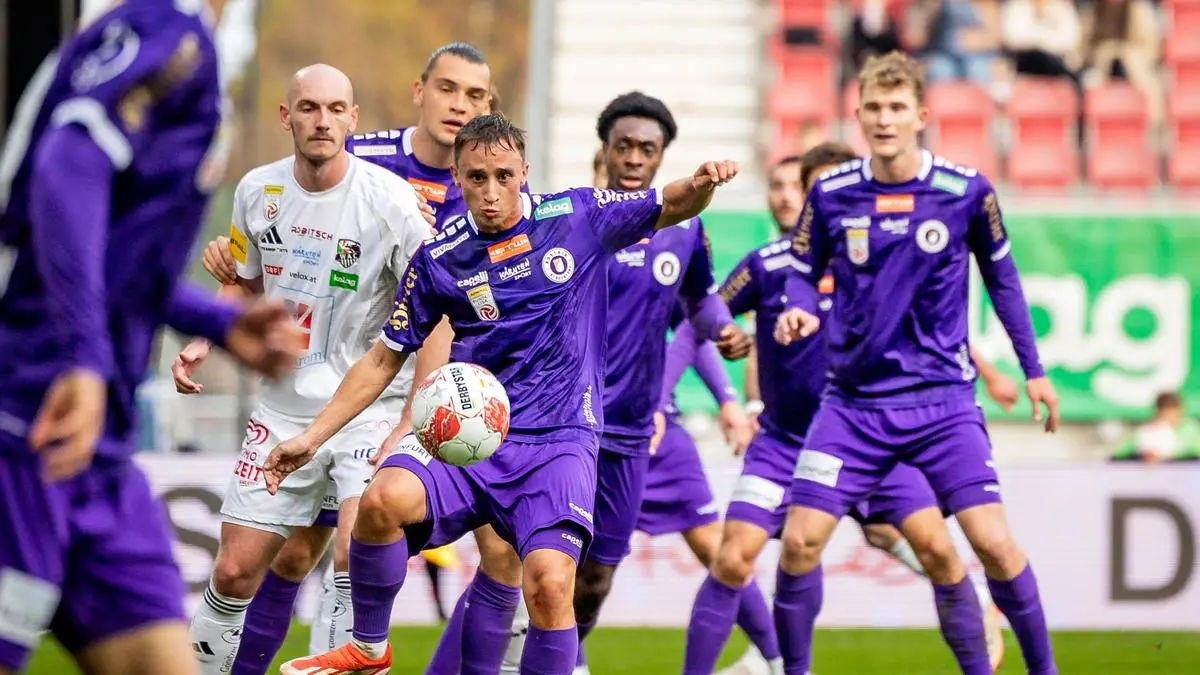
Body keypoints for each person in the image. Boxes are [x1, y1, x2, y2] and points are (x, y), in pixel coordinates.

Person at [263, 113, 738, 675]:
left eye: (503, 176)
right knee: (381, 501)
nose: (491, 192)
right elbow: (383, 358)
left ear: (524, 174)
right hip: (473, 434)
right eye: (476, 177)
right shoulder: (441, 257)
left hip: (559, 441)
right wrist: (313, 438)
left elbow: (672, 202)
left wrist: (702, 184)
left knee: (550, 585)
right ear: (457, 178)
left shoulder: (578, 216)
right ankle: (369, 649)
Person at [0, 1, 304, 674]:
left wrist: (218, 320)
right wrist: (84, 357)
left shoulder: (204, 40)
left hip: (98, 449)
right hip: (27, 412)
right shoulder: (165, 27)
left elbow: (119, 259)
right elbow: (65, 166)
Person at [184, 43, 498, 668]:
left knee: (363, 554)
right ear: (287, 116)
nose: (322, 120)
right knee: (242, 568)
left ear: (352, 118)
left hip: (375, 407)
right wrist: (203, 334)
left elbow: (438, 308)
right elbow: (244, 277)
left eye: (334, 110)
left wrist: (411, 420)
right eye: (309, 108)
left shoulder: (405, 198)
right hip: (286, 408)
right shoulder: (260, 189)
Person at [425, 92, 754, 675]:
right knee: (508, 564)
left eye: (647, 148)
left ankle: (561, 659)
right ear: (603, 150)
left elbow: (699, 303)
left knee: (596, 576)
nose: (634, 157)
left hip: (628, 431)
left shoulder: (684, 233)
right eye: (623, 145)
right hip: (556, 425)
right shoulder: (575, 227)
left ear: (661, 155)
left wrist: (723, 330)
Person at [773, 51, 1060, 675]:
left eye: (897, 107)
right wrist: (799, 307)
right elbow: (802, 271)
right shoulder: (831, 193)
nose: (885, 119)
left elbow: (1004, 280)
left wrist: (1033, 370)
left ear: (921, 116)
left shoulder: (965, 191)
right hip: (852, 407)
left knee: (993, 544)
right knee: (797, 544)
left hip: (942, 404)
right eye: (874, 108)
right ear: (858, 114)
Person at [690, 144, 1016, 675]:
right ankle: (775, 660)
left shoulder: (874, 259)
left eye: (800, 187)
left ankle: (976, 602)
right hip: (789, 443)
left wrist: (991, 371)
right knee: (757, 551)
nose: (791, 197)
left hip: (871, 430)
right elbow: (716, 322)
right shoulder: (770, 267)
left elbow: (926, 331)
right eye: (782, 187)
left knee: (930, 547)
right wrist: (737, 378)